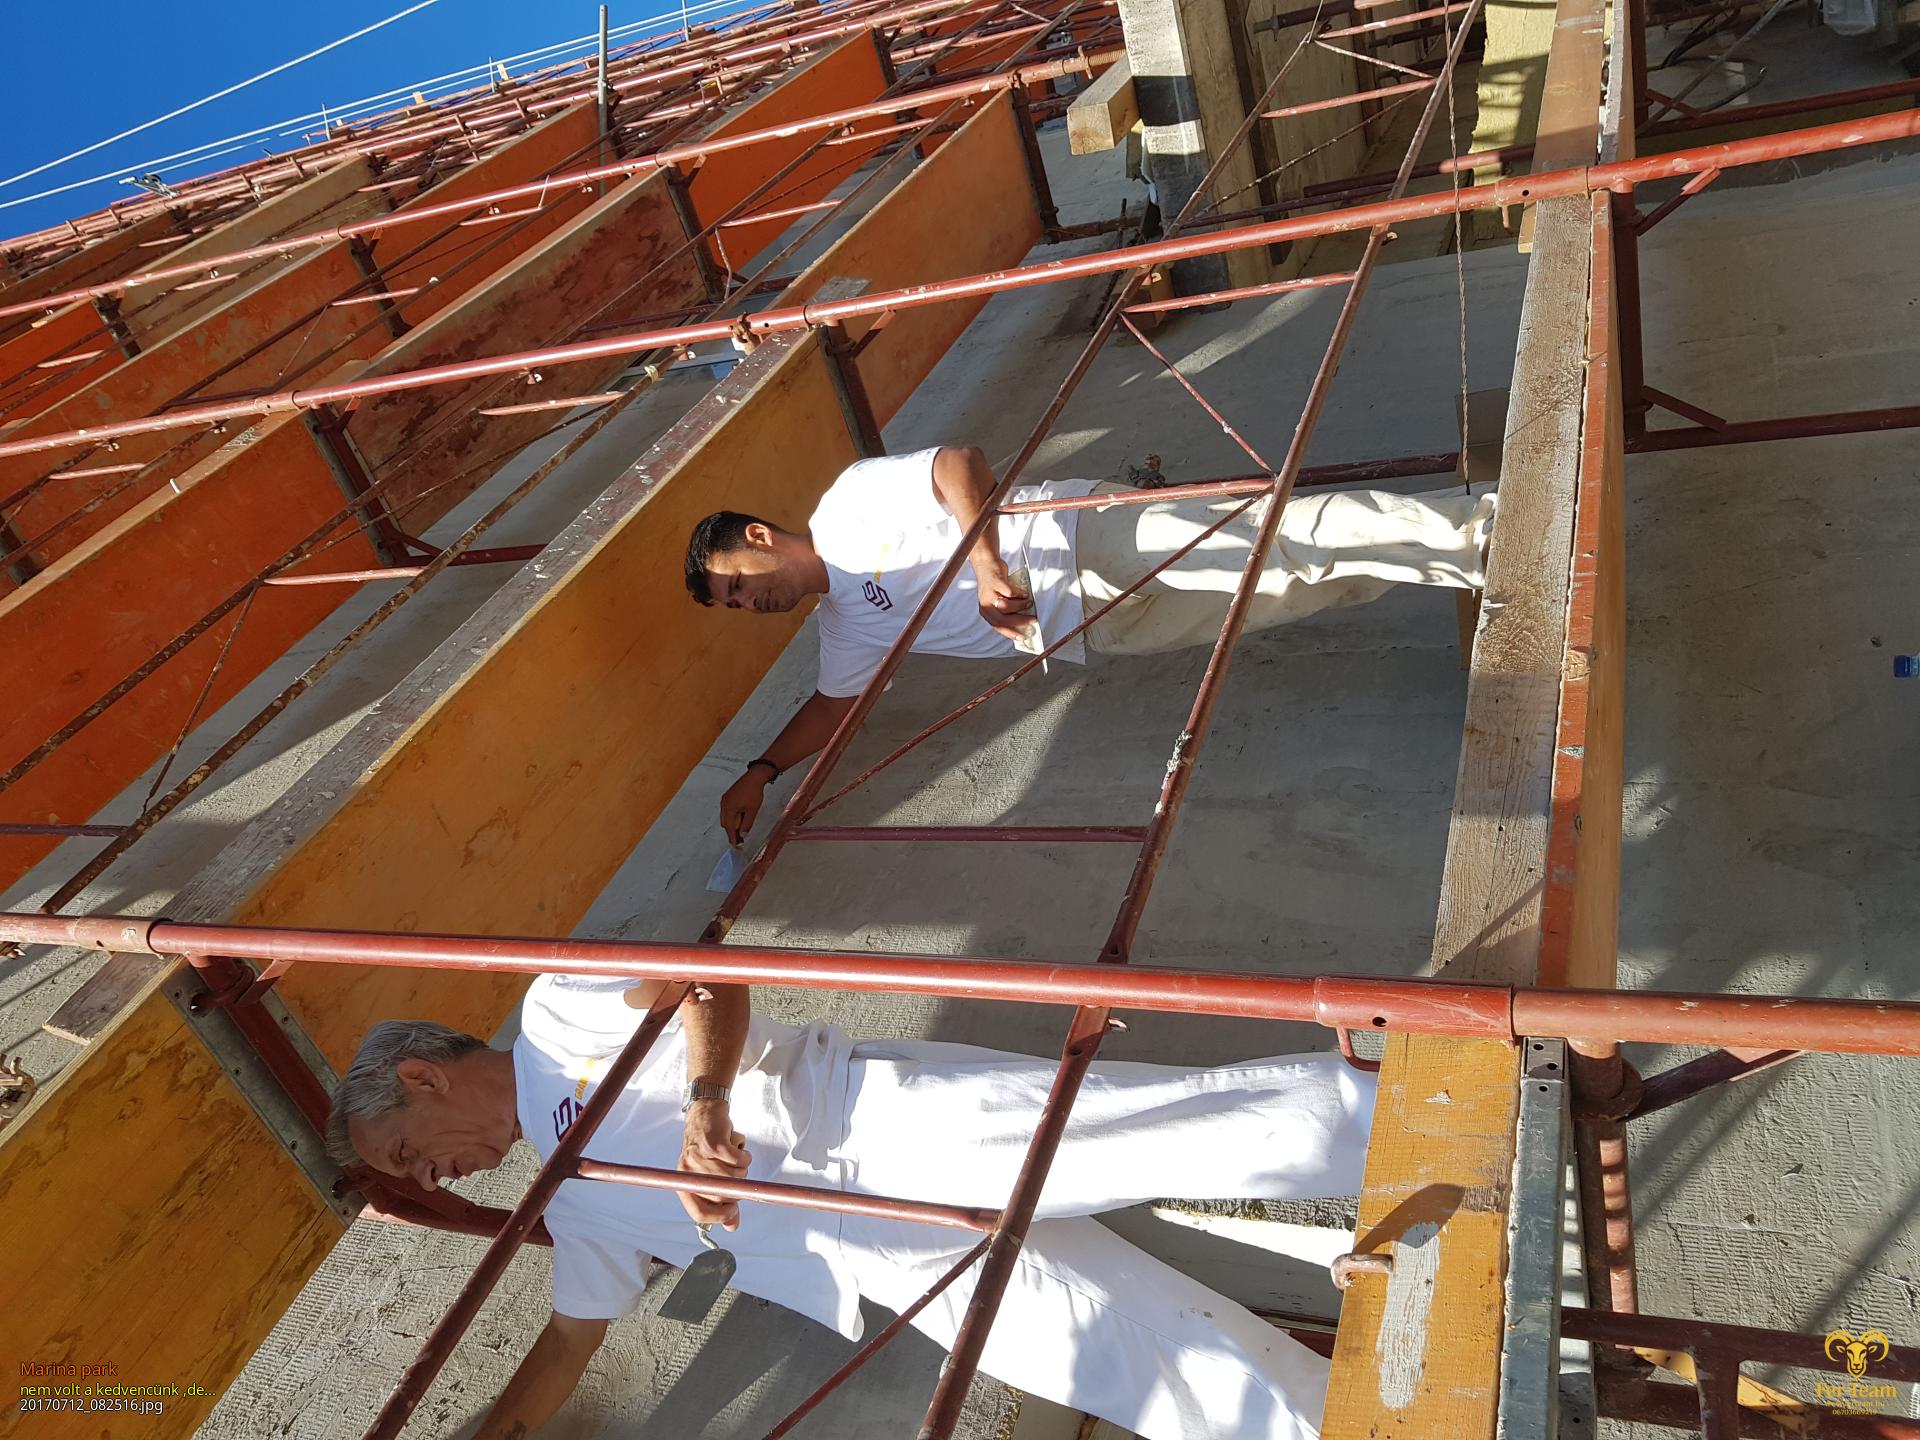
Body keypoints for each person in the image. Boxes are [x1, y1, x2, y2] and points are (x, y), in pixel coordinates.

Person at [329, 975, 1377, 1440]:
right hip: (879, 1258)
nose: (432, 1179)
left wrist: (705, 1105)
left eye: (408, 1155)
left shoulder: (554, 1011)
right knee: (1138, 1364)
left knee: (1191, 1130)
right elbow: (569, 1340)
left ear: (423, 1078)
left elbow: (705, 983)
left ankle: (1424, 1101)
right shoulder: (570, 1208)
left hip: (881, 1123)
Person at [684, 445, 1494, 843]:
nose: (748, 604)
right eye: (733, 607)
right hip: (1091, 627)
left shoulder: (848, 504)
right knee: (1288, 591)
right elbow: (833, 707)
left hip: (1079, 540)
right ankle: (1457, 561)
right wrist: (762, 770)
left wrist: (986, 562)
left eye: (736, 585)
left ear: (757, 537)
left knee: (1275, 538)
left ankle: (1483, 529)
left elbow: (957, 465)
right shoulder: (843, 626)